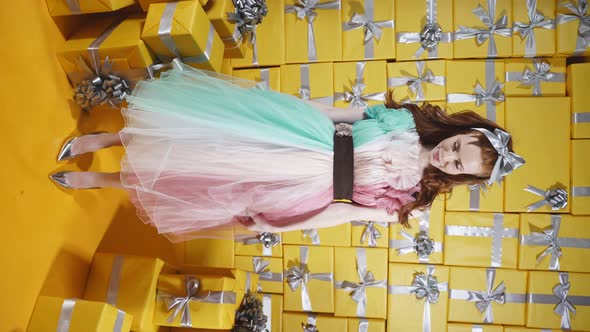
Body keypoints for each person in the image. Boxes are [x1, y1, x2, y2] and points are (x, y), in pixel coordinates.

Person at [49, 64, 525, 241]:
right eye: (459, 145)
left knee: (200, 177)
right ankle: (106, 142)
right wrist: (281, 106)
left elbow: (340, 215)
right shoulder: (404, 122)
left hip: (303, 186)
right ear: (460, 130)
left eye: (460, 164)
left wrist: (285, 223)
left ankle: (100, 180)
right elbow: (342, 116)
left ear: (461, 179)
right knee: (206, 140)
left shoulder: (407, 198)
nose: (450, 156)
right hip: (301, 137)